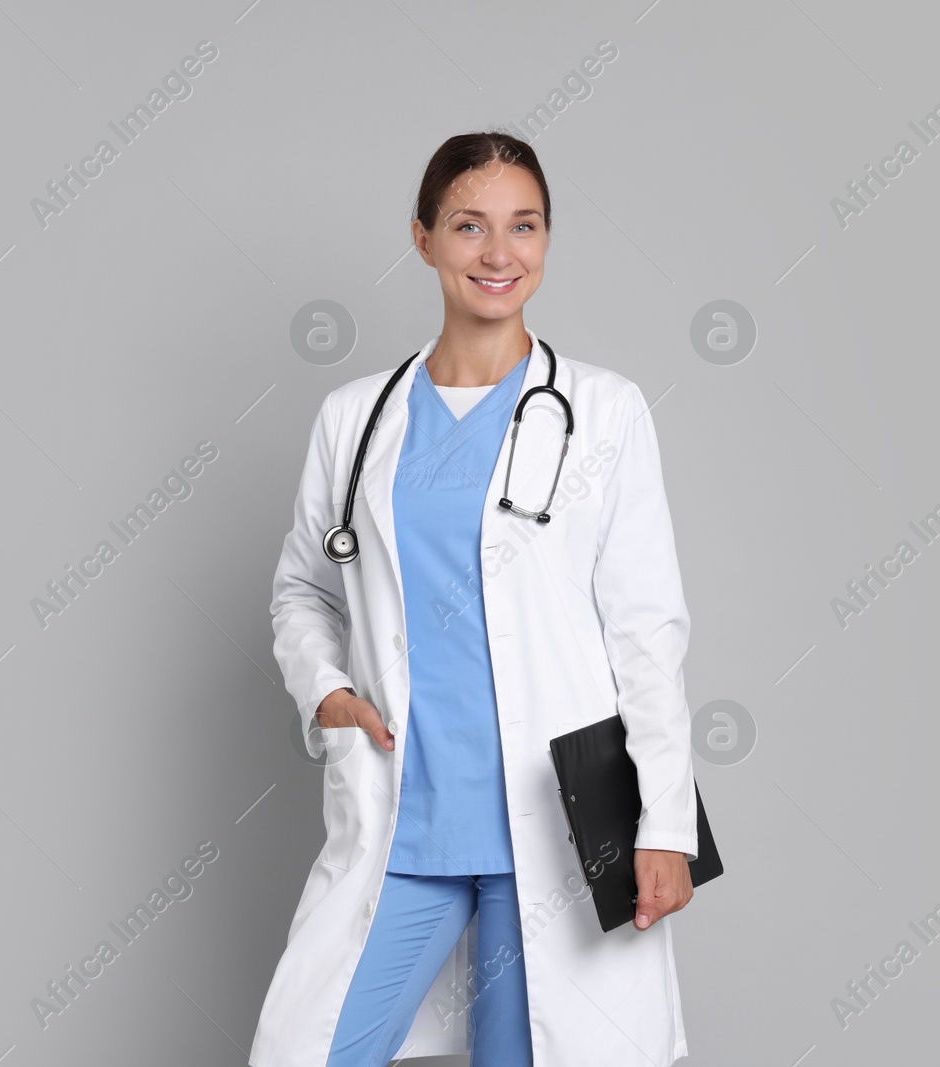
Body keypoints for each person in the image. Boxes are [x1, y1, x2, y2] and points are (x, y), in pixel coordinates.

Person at [249, 131, 698, 1067]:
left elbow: (647, 631)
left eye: (523, 226)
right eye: (470, 226)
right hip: (405, 818)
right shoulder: (356, 417)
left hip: (560, 829)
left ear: (546, 239)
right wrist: (325, 690)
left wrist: (663, 824)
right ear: (423, 240)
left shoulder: (605, 412)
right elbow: (302, 587)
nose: (500, 254)